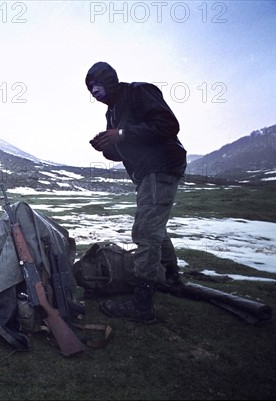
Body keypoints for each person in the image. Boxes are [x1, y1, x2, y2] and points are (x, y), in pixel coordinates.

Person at [85, 61, 187, 324]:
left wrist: (120, 133)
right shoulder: (112, 113)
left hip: (160, 166)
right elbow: (125, 147)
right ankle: (172, 278)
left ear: (109, 80)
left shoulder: (139, 92)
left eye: (96, 85)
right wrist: (106, 146)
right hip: (145, 172)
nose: (94, 93)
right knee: (154, 226)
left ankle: (143, 304)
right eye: (90, 89)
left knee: (145, 231)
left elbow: (168, 125)